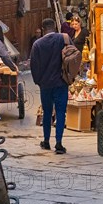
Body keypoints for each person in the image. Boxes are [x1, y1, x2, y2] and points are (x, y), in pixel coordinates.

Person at [30, 18, 73, 154]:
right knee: (61, 112)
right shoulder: (64, 38)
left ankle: (46, 140)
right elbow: (74, 56)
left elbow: (33, 65)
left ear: (43, 29)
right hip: (61, 82)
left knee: (47, 112)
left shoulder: (38, 44)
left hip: (46, 84)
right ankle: (59, 142)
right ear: (55, 27)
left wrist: (38, 81)